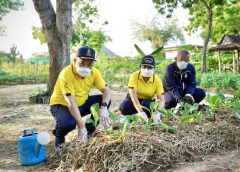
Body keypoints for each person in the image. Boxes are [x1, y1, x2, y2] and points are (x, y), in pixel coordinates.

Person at [50, 46, 111, 148]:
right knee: (68, 124)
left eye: (89, 64)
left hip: (81, 104)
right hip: (62, 105)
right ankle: (59, 136)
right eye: (82, 63)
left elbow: (106, 91)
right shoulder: (66, 73)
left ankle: (90, 129)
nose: (86, 67)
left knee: (104, 100)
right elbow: (70, 102)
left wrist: (104, 108)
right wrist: (81, 127)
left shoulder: (94, 72)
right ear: (75, 61)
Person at [119, 55, 165, 123]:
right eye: (144, 66)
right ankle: (138, 116)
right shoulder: (134, 76)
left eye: (149, 67)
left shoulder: (157, 80)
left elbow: (161, 100)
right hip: (133, 100)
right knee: (124, 107)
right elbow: (133, 96)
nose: (146, 69)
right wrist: (141, 112)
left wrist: (158, 112)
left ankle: (136, 117)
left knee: (149, 107)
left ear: (154, 68)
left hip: (147, 102)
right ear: (140, 67)